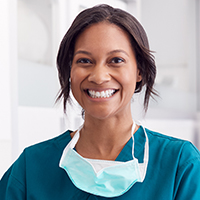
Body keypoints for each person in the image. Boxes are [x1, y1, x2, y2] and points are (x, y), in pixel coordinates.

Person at [0, 4, 200, 200]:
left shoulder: (180, 165)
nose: (99, 76)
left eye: (116, 60)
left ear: (139, 71)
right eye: (84, 61)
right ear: (69, 71)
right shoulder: (31, 167)